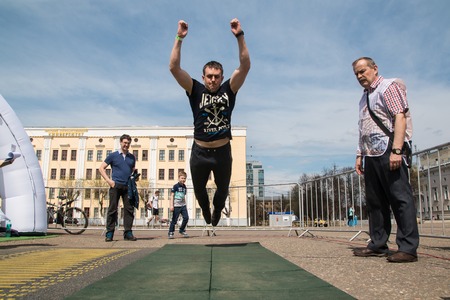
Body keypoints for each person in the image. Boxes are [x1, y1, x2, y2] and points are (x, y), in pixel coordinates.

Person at [169, 18, 250, 227]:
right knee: (198, 190)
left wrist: (240, 36)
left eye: (216, 77)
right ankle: (204, 209)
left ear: (221, 76)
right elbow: (174, 68)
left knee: (222, 191)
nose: (213, 80)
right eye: (209, 77)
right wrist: (179, 38)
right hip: (200, 152)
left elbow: (245, 65)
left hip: (223, 152)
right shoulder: (195, 90)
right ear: (203, 77)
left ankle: (216, 209)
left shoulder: (228, 89)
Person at [352, 57, 419, 263]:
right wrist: (359, 154)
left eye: (363, 71)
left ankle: (407, 248)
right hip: (371, 154)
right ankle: (378, 243)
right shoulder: (364, 98)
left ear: (374, 68)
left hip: (389, 149)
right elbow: (363, 127)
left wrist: (397, 150)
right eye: (356, 73)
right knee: (375, 202)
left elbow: (399, 116)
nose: (360, 76)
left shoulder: (387, 87)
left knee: (400, 198)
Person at [99, 134, 138, 242]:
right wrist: (109, 181)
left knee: (129, 210)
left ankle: (128, 233)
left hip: (128, 187)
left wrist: (135, 176)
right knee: (112, 209)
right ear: (120, 142)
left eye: (128, 143)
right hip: (115, 185)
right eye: (125, 143)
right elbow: (101, 168)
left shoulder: (132, 157)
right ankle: (110, 233)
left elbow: (133, 170)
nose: (126, 145)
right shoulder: (113, 155)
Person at [168, 171, 189, 239]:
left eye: (184, 178)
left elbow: (183, 196)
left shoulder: (184, 187)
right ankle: (171, 232)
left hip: (183, 205)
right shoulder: (175, 186)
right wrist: (171, 205)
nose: (183, 180)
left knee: (186, 217)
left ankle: (182, 230)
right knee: (174, 219)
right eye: (182, 178)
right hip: (176, 205)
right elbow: (172, 195)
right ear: (179, 178)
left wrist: (185, 204)